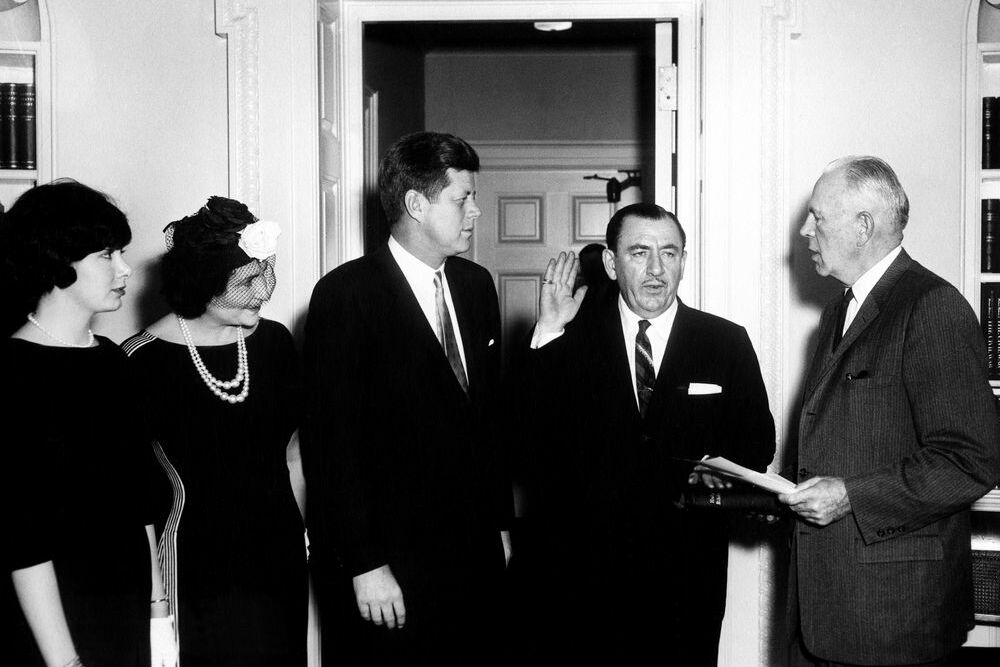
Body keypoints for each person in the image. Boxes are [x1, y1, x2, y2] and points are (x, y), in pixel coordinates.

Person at [519, 202, 776, 664]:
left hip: (687, 574)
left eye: (670, 254)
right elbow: (527, 443)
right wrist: (548, 330)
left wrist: (703, 483)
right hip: (584, 578)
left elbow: (756, 444)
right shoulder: (568, 339)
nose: (657, 270)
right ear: (612, 264)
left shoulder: (725, 341)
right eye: (639, 253)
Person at [779, 156, 1000, 666]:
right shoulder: (840, 309)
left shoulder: (932, 306)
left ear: (863, 226)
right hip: (827, 607)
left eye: (817, 217)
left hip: (892, 616)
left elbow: (971, 461)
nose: (804, 230)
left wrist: (850, 496)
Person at [302, 131, 512, 663]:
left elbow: (488, 423)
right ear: (416, 204)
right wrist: (365, 564)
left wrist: (501, 528)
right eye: (462, 199)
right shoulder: (345, 295)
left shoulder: (476, 285)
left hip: (474, 556)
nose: (476, 211)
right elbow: (333, 446)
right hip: (390, 565)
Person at [121, 197, 307, 666]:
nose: (264, 290)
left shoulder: (277, 343)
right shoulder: (139, 361)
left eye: (265, 273)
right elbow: (133, 498)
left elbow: (293, 455)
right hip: (196, 562)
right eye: (247, 281)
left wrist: (303, 537)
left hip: (279, 553)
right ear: (203, 284)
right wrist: (155, 601)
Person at [0, 180, 173, 667]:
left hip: (125, 613)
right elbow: (21, 539)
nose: (124, 269)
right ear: (57, 262)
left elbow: (139, 499)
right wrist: (64, 661)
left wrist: (158, 615)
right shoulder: (12, 373)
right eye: (106, 255)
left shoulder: (115, 362)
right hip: (48, 625)